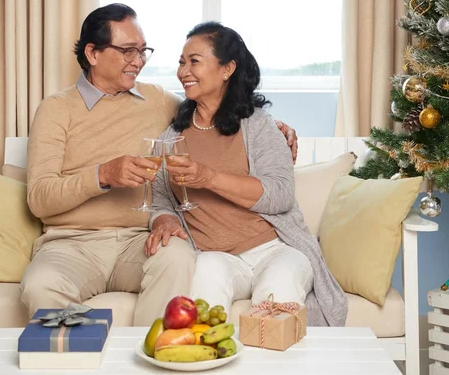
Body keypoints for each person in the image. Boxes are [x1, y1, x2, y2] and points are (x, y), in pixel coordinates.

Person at [21, 4, 298, 326]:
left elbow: (217, 109)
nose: (138, 61)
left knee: (179, 260)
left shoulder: (160, 102)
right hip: (72, 244)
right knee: (41, 286)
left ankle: (150, 358)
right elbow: (39, 199)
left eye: (143, 50)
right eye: (127, 51)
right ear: (93, 53)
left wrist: (276, 129)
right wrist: (102, 174)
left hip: (143, 239)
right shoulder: (55, 109)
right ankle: (83, 357)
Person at [147, 22, 347, 326]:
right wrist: (164, 219)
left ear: (227, 69)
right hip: (216, 256)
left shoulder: (258, 125)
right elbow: (161, 199)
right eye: (181, 62)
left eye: (194, 61)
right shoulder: (170, 137)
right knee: (204, 296)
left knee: (277, 294)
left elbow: (280, 195)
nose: (183, 71)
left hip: (276, 249)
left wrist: (207, 177)